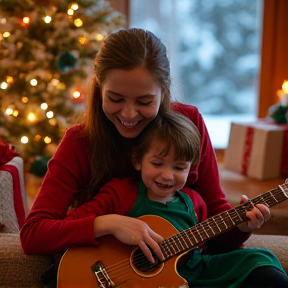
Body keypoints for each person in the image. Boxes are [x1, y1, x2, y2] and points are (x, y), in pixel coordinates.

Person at [20, 28, 287, 287]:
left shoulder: (189, 122)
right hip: (118, 273)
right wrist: (108, 223)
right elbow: (33, 234)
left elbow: (214, 224)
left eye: (145, 101)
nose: (128, 114)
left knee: (265, 271)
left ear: (165, 89)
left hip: (186, 268)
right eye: (115, 98)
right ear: (99, 87)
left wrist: (240, 226)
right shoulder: (79, 142)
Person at [64, 110, 286, 287]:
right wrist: (109, 224)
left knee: (259, 261)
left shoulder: (194, 201)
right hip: (139, 281)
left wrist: (242, 227)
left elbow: (217, 246)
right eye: (157, 163)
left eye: (179, 167)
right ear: (137, 160)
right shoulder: (119, 193)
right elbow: (69, 225)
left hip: (194, 272)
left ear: (191, 168)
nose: (168, 175)